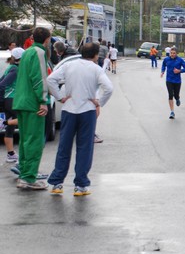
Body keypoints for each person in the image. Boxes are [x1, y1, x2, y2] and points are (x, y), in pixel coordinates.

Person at [46, 42, 113, 196]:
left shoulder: (70, 65)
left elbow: (51, 80)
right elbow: (109, 88)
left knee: (64, 146)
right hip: (88, 111)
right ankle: (80, 185)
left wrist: (60, 97)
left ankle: (57, 182)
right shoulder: (96, 69)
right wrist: (99, 102)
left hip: (69, 109)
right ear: (96, 55)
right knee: (84, 148)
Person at [13, 27, 52, 190]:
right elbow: (40, 79)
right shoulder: (39, 53)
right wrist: (43, 100)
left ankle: (24, 175)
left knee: (25, 141)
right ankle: (28, 177)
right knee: (34, 142)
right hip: (32, 104)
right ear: (47, 39)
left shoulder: (27, 52)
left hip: (21, 101)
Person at [0, 47, 24, 163]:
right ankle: (3, 122)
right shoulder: (15, 69)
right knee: (24, 119)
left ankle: (10, 154)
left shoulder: (11, 67)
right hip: (11, 99)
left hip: (8, 100)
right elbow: (2, 84)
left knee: (10, 129)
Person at [161, 47, 185, 119]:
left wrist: (179, 71)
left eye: (174, 53)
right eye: (171, 53)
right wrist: (163, 71)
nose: (172, 54)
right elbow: (163, 65)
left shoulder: (180, 60)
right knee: (170, 95)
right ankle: (172, 112)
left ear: (177, 53)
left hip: (177, 81)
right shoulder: (166, 59)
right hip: (169, 80)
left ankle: (177, 99)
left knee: (176, 95)